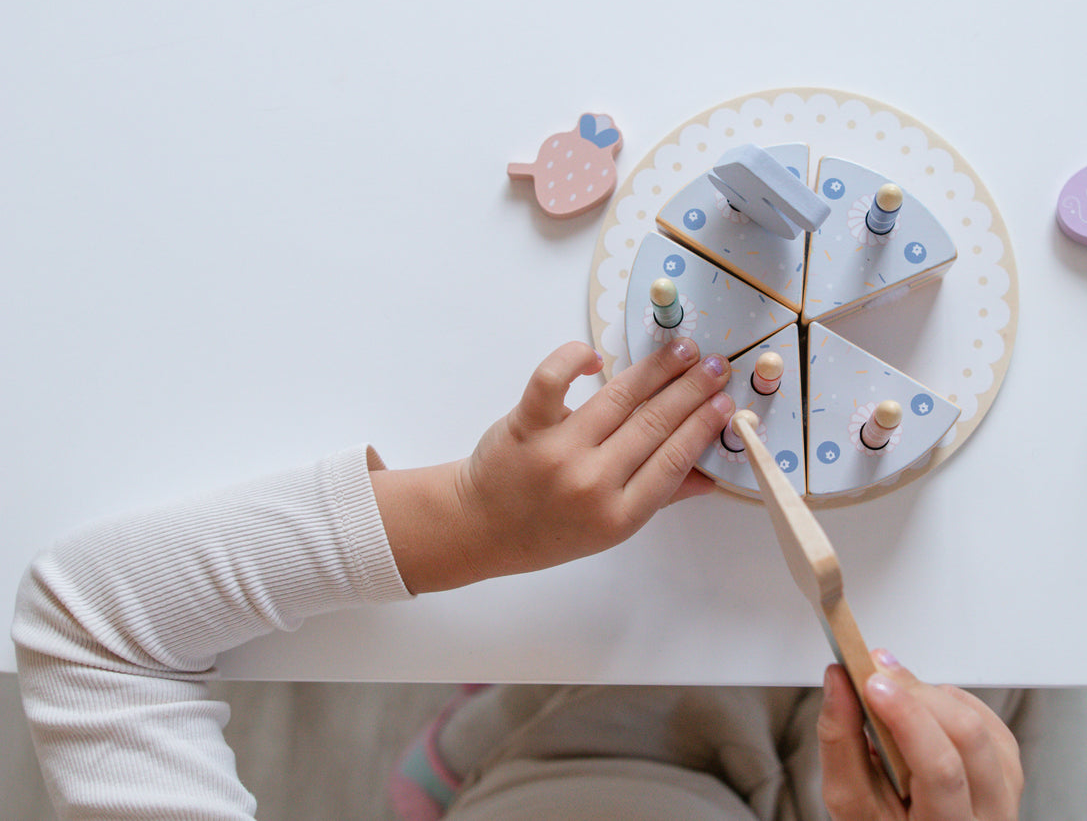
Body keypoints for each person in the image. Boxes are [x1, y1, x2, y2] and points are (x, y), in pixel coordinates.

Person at [12, 338, 1023, 820]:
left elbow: (91, 635)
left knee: (564, 677)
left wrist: (473, 522)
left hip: (533, 763)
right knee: (950, 691)